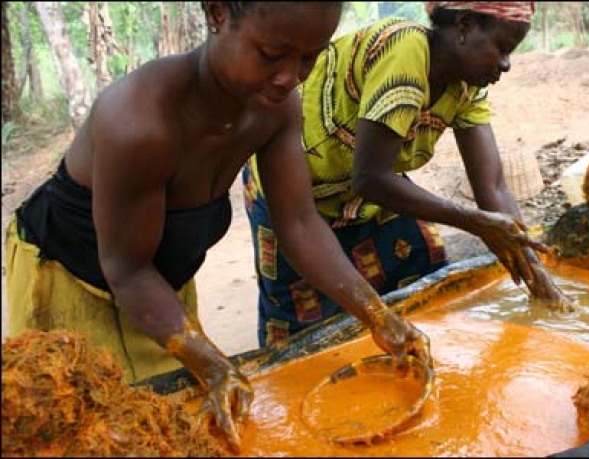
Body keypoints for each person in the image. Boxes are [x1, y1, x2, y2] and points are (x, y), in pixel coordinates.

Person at [2, 1, 485, 452]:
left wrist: (379, 316)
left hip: (159, 278)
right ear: (216, 12)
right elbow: (126, 269)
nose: (289, 77)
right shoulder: (138, 121)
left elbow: (298, 223)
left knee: (175, 416)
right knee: (92, 427)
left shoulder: (274, 109)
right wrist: (215, 366)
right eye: (272, 54)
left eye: (310, 58)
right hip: (74, 275)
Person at [242, 0, 570, 346]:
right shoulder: (404, 50)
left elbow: (493, 187)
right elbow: (370, 177)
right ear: (464, 25)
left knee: (421, 279)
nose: (505, 65)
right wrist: (476, 221)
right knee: (309, 331)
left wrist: (536, 274)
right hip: (296, 189)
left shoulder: (466, 86)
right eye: (502, 49)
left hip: (364, 191)